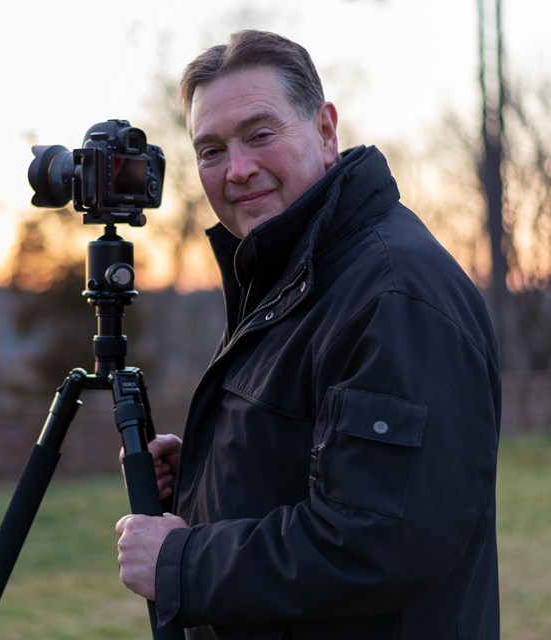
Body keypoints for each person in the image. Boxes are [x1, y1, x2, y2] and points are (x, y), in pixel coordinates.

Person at [115, 29, 501, 639]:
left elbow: (379, 541)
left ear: (325, 129)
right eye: (211, 150)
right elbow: (325, 456)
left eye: (260, 135)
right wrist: (210, 470)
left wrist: (181, 561)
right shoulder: (297, 273)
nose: (237, 170)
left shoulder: (393, 295)